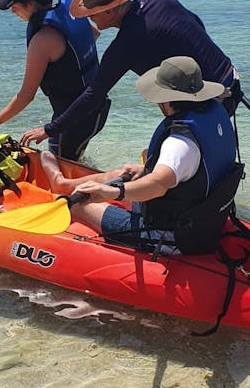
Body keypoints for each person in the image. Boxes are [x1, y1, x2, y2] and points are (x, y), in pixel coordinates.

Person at [19, 0, 239, 153]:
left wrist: (50, 129)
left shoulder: (126, 44)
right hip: (231, 77)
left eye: (93, 12)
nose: (88, 17)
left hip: (212, 97)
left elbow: (94, 95)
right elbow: (196, 23)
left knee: (178, 161)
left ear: (111, 9)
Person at [37, 56, 239, 254]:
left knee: (77, 204)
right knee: (122, 173)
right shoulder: (214, 115)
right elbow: (195, 169)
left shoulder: (179, 143)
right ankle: (61, 183)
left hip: (170, 234)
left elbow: (159, 185)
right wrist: (145, 170)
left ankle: (65, 198)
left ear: (166, 100)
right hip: (200, 215)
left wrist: (116, 193)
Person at [0, 0, 110, 161]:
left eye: (14, 6)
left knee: (58, 168)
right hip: (98, 107)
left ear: (30, 4)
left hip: (73, 121)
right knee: (75, 159)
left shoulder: (42, 40)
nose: (12, 11)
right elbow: (93, 33)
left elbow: (26, 96)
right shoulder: (69, 8)